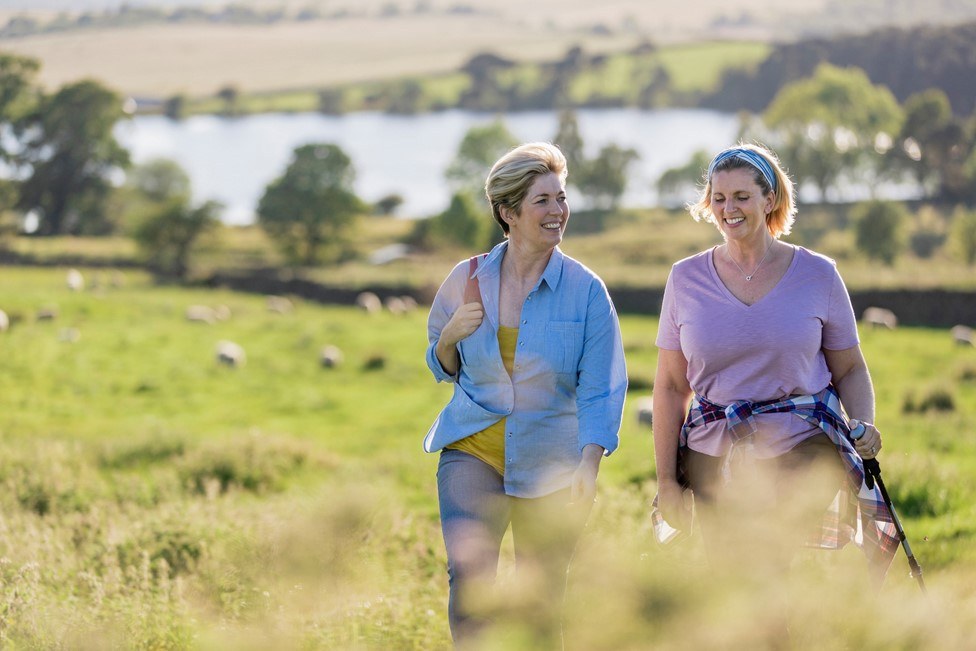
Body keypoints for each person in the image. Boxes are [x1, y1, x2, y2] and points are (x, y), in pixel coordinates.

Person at [650, 143, 900, 602]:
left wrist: (863, 422)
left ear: (770, 200)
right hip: (712, 456)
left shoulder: (818, 275)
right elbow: (669, 387)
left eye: (742, 196)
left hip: (801, 447)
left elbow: (850, 369)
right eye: (719, 198)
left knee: (762, 571)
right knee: (730, 591)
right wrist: (667, 480)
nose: (729, 209)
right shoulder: (685, 279)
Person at [424, 142, 627, 646]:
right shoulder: (466, 278)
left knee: (541, 599)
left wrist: (589, 464)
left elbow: (600, 389)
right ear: (508, 212)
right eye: (543, 201)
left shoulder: (586, 291)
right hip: (473, 454)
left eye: (561, 198)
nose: (558, 211)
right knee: (471, 585)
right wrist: (449, 337)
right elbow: (442, 365)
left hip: (553, 465)